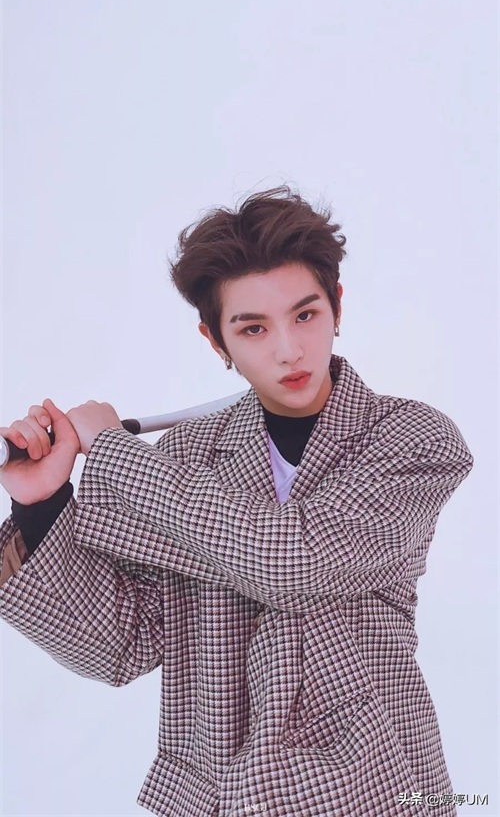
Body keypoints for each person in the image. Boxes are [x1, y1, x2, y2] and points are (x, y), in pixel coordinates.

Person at [0, 184, 474, 817]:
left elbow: (292, 561)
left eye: (305, 315)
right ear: (215, 340)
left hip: (380, 786)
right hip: (223, 794)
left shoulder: (412, 437)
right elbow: (119, 644)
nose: (288, 350)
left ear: (337, 305)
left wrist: (114, 451)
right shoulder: (180, 457)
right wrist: (43, 505)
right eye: (253, 328)